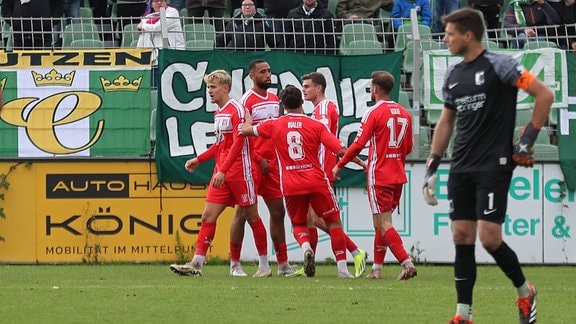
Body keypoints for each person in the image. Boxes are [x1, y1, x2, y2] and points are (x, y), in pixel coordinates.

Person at [423, 8, 551, 323]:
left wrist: (527, 141)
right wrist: (432, 164)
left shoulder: (501, 65)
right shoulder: (453, 74)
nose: (446, 39)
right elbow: (446, 122)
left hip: (494, 164)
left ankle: (525, 291)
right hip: (460, 166)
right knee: (461, 236)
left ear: (469, 34)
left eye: (451, 33)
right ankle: (463, 315)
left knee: (489, 238)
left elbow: (544, 95)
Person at [241, 85, 357, 279]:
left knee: (299, 224)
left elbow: (246, 131)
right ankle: (343, 270)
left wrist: (247, 121)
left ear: (282, 105)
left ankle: (305, 248)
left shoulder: (274, 124)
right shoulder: (316, 125)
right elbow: (340, 150)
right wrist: (359, 160)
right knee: (334, 223)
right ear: (302, 102)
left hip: (290, 183)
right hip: (316, 181)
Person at [169, 70, 270, 277]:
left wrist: (223, 170)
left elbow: (239, 143)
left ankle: (264, 266)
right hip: (222, 174)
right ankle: (197, 264)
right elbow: (220, 145)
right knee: (208, 216)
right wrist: (199, 159)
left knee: (252, 217)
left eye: (213, 87)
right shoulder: (219, 112)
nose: (209, 91)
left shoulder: (237, 110)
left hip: (241, 173)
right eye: (208, 87)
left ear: (225, 88)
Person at [333, 71, 417, 281]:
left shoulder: (374, 112)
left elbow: (358, 144)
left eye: (371, 87)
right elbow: (408, 147)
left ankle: (406, 263)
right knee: (379, 222)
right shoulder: (404, 113)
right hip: (398, 174)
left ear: (376, 89)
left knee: (384, 222)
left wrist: (339, 166)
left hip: (379, 174)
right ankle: (377, 269)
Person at [228, 59, 298, 277]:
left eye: (269, 71)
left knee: (278, 211)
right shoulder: (245, 102)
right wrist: (258, 159)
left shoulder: (275, 99)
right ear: (251, 76)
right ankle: (235, 263)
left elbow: (274, 132)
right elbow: (239, 138)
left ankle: (283, 264)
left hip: (273, 166)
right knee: (243, 213)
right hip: (253, 165)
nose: (268, 75)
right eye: (263, 72)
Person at [301, 72, 368, 278]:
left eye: (307, 86)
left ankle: (356, 251)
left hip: (319, 170)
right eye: (303, 87)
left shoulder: (325, 108)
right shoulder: (320, 109)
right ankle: (309, 266)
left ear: (318, 88)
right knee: (310, 220)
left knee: (321, 220)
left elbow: (324, 138)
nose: (304, 90)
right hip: (319, 168)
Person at [137, 0, 185, 88]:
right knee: (154, 88)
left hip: (171, 56)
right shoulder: (148, 17)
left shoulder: (172, 12)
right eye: (156, 1)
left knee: (169, 87)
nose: (159, 3)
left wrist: (142, 26)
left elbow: (158, 28)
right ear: (151, 4)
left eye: (162, 0)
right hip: (153, 59)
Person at [215, 0, 283, 51]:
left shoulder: (263, 23)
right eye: (244, 5)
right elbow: (220, 40)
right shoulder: (233, 23)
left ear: (255, 8)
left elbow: (275, 43)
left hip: (256, 58)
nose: (247, 7)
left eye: (250, 5)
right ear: (241, 8)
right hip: (236, 58)